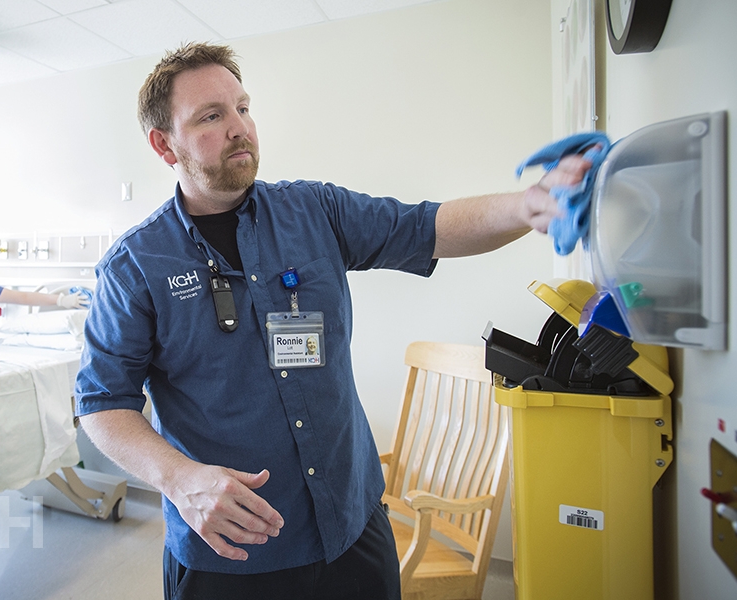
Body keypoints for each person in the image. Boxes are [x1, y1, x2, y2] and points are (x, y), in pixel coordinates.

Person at [75, 42, 593, 600]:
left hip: (351, 529)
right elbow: (102, 405)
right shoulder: (136, 266)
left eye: (243, 108)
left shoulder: (313, 212)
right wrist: (178, 479)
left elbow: (429, 226)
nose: (239, 127)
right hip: (231, 555)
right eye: (211, 116)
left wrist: (528, 206)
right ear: (163, 144)